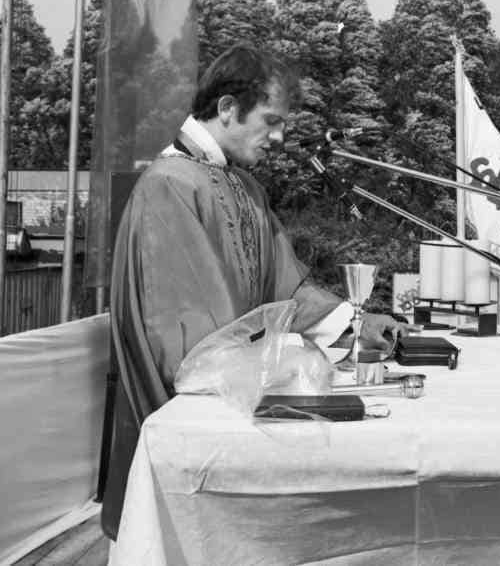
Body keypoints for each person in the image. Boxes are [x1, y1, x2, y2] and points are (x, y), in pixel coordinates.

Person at [100, 44, 405, 539]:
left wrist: (355, 324)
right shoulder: (169, 186)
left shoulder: (242, 186)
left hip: (238, 399)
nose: (281, 137)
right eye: (272, 120)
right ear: (226, 109)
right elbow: (190, 342)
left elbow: (287, 285)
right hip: (189, 420)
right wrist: (279, 363)